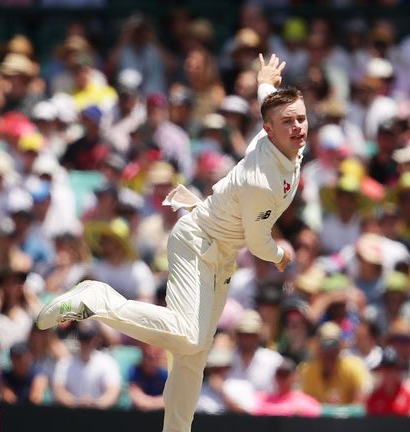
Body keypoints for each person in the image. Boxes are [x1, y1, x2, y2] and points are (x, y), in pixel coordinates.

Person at [37, 54, 304, 432]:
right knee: (188, 335)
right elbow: (260, 245)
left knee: (192, 355)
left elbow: (269, 103)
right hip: (198, 242)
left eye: (301, 119)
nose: (297, 127)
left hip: (220, 257)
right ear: (268, 129)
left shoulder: (274, 135)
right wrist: (281, 256)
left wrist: (266, 82)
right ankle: (97, 299)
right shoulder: (265, 180)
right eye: (288, 122)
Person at [254, 357, 322, 417]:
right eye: (279, 373)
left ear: (295, 376)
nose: (282, 378)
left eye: (286, 373)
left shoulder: (305, 401)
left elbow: (315, 413)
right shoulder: (261, 398)